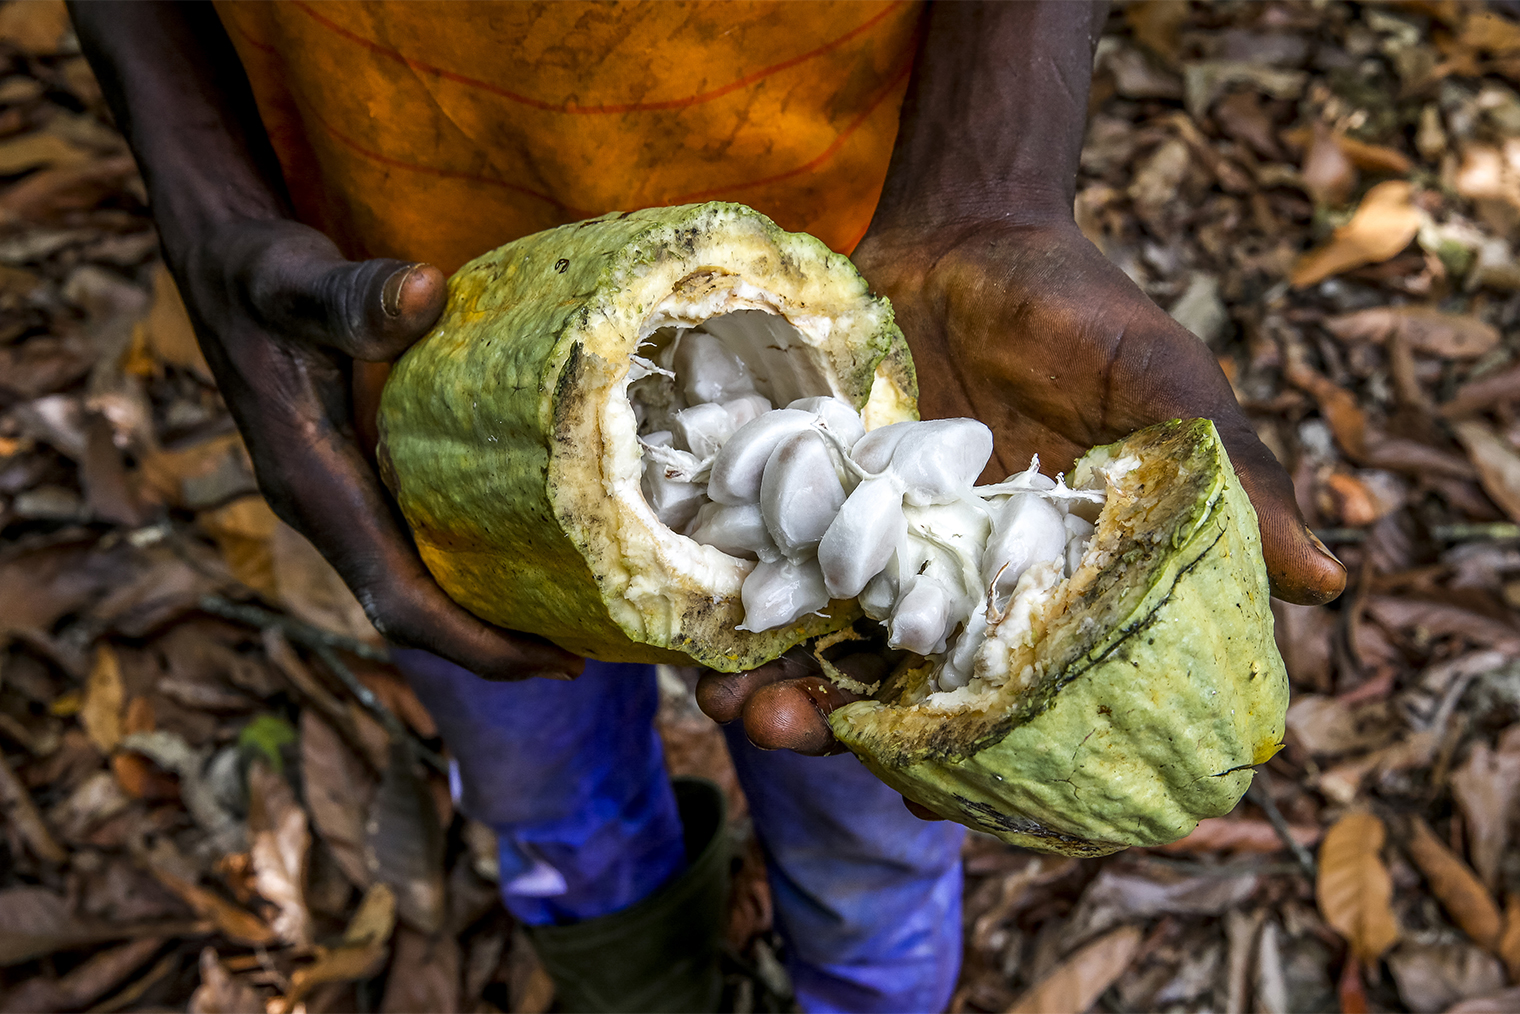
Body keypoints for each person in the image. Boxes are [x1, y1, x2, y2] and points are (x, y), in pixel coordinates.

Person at [74, 3, 1346, 1011]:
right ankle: (627, 973)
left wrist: (988, 186)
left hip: (880, 234)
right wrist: (200, 197)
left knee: (869, 838)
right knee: (538, 790)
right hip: (387, 306)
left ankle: (865, 994)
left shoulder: (882, 393)